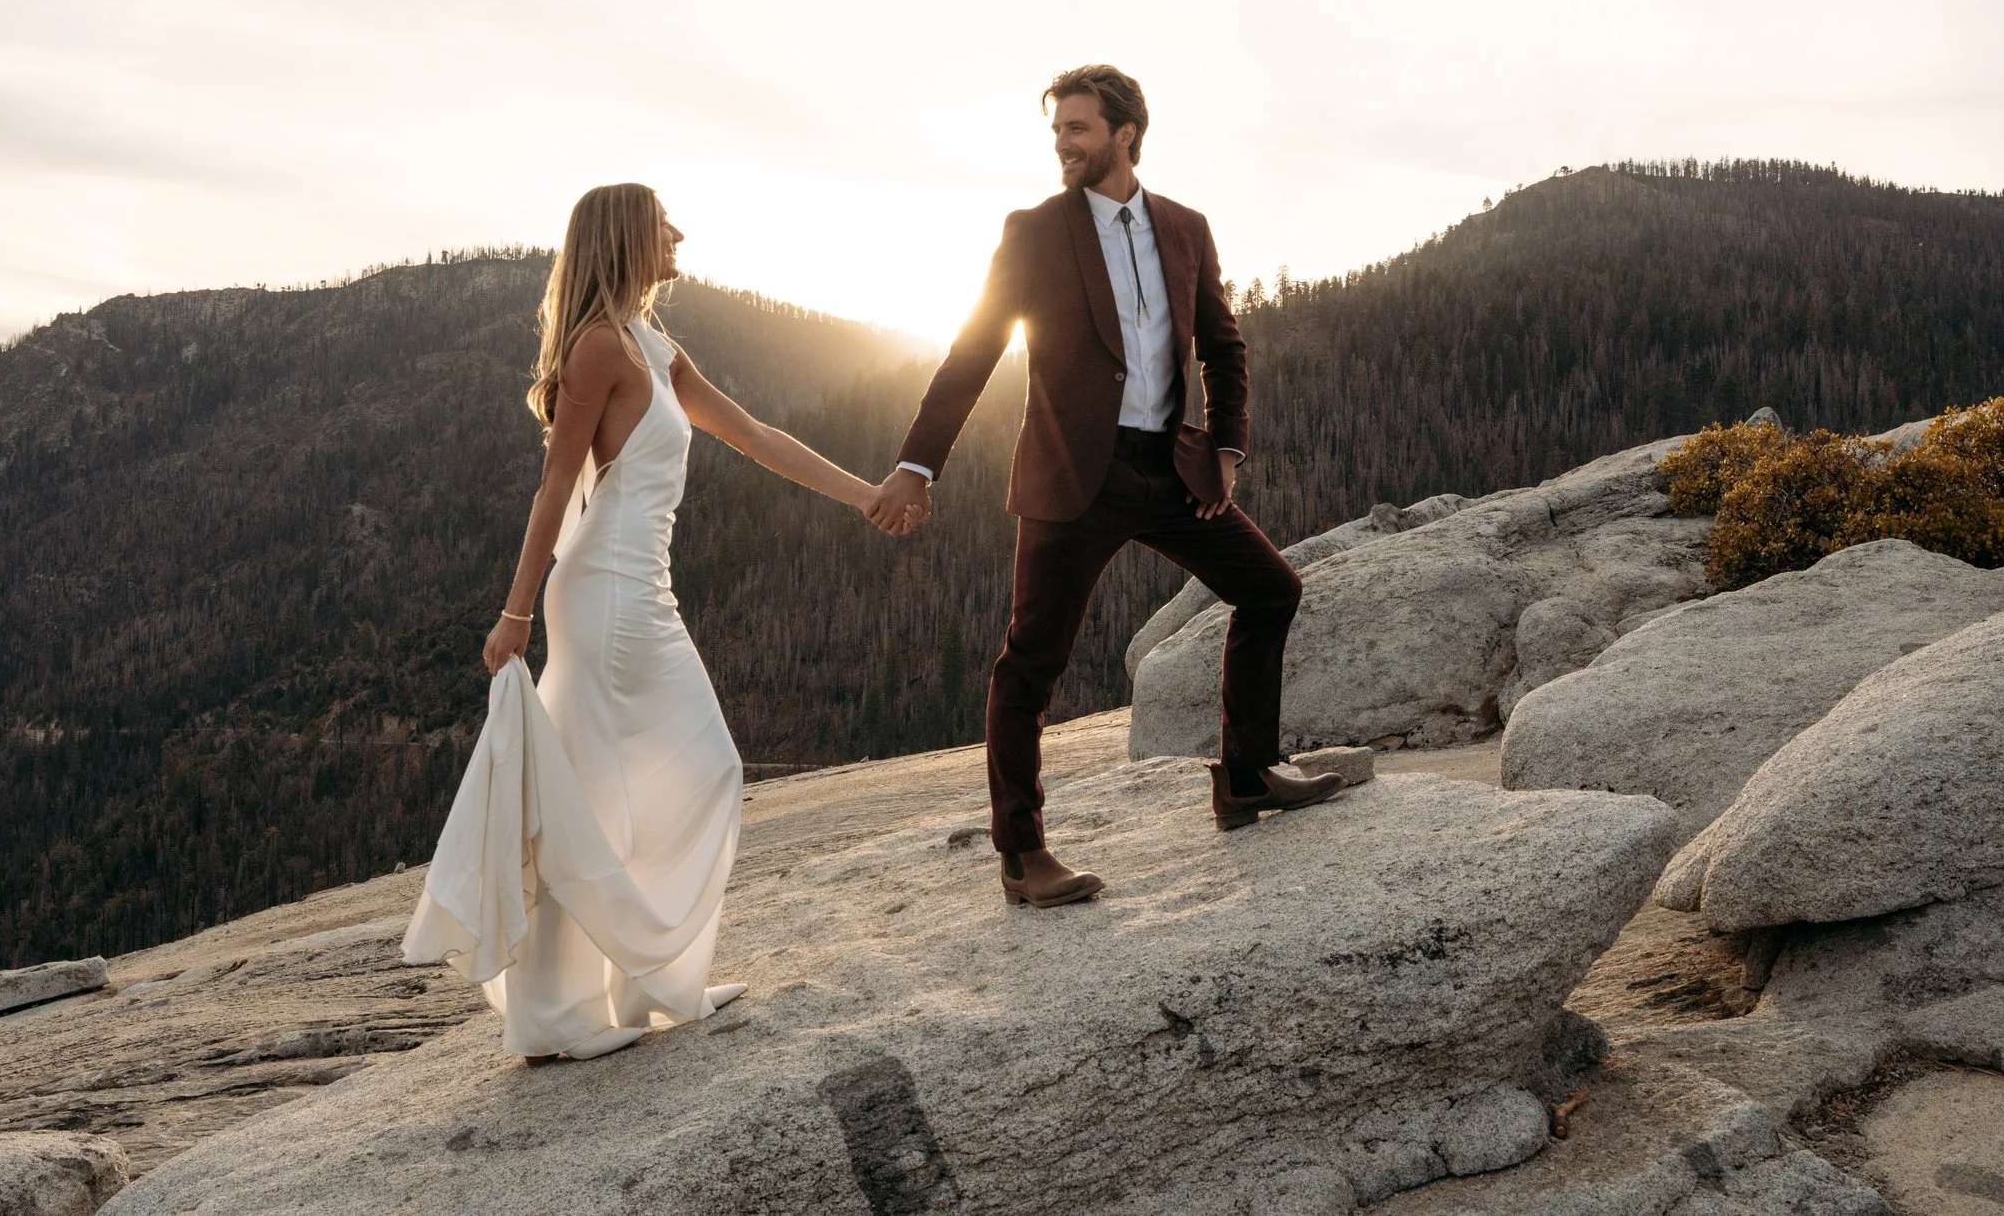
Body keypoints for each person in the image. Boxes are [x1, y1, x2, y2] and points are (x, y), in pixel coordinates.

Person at [403, 182, 906, 1060]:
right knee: (594, 796)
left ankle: (645, 985)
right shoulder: (597, 349)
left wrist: (863, 493)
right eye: (662, 221)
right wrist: (514, 612)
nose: (678, 232)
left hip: (644, 595)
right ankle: (557, 1018)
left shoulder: (654, 344)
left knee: (696, 771)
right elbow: (556, 487)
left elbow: (752, 434)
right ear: (628, 238)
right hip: (603, 597)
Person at [866, 64, 1342, 910]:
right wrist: (917, 463)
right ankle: (1023, 855)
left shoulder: (1185, 228)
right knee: (1029, 667)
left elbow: (1223, 346)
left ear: (1125, 133)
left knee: (1270, 589)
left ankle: (1246, 773)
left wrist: (1227, 445)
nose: (1063, 145)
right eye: (1057, 132)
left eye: (1078, 129)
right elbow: (973, 350)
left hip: (1167, 470)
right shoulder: (1034, 232)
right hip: (1070, 479)